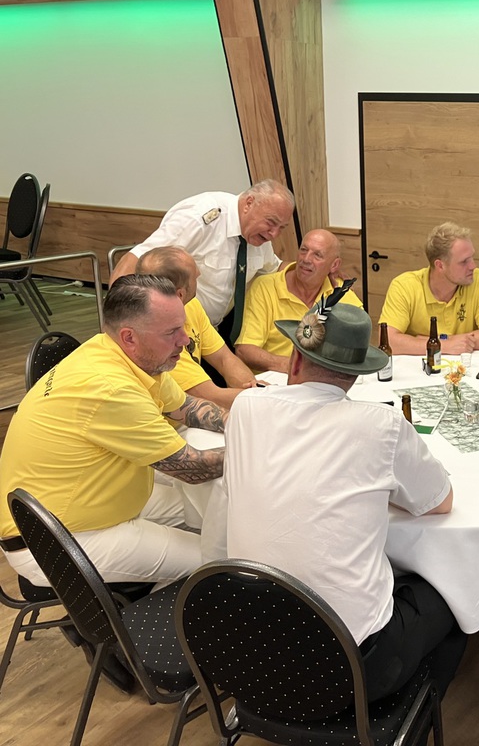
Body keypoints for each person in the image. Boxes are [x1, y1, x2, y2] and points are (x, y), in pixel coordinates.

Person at [202, 300, 466, 702]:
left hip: (248, 647)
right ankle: (406, 713)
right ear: (355, 376)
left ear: (294, 360)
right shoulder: (382, 424)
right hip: (346, 669)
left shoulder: (246, 408)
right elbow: (439, 502)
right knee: (451, 592)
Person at [0, 275, 227, 590]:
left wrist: (247, 423)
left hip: (89, 501)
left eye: (183, 326)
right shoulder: (110, 388)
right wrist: (257, 443)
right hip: (55, 540)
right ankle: (151, 616)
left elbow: (185, 407)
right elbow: (192, 468)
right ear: (129, 337)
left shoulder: (121, 353)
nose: (185, 340)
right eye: (172, 332)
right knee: (219, 561)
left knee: (211, 515)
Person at [110, 179, 295, 332]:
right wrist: (118, 326)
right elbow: (135, 260)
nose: (274, 234)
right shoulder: (199, 218)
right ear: (249, 203)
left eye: (282, 228)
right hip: (177, 331)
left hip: (218, 330)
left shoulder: (258, 235)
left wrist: (306, 269)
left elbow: (273, 269)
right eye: (271, 222)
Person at [136, 246, 260, 407]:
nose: (199, 274)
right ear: (180, 294)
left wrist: (251, 386)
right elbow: (210, 397)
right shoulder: (154, 337)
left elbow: (224, 358)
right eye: (195, 277)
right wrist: (261, 396)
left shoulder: (191, 305)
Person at [235, 228, 364, 373]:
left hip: (324, 379)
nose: (306, 259)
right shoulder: (265, 287)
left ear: (334, 265)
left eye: (317, 255)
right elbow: (245, 350)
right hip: (276, 380)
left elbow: (357, 350)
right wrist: (295, 367)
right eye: (303, 250)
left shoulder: (341, 293)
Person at [378, 221, 479, 355]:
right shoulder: (404, 286)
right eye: (464, 261)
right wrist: (444, 345)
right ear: (440, 265)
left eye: (472, 257)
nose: (473, 266)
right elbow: (387, 340)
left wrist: (434, 340)